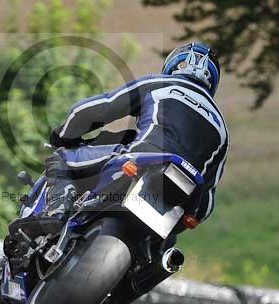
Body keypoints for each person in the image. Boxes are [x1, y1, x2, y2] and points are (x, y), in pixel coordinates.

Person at [42, 42, 229, 225]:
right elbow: (206, 202)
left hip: (141, 161)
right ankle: (158, 255)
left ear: (173, 65)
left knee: (62, 159)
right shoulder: (222, 129)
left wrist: (63, 135)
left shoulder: (159, 84)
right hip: (182, 199)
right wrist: (193, 215)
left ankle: (55, 215)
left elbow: (92, 110)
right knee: (167, 240)